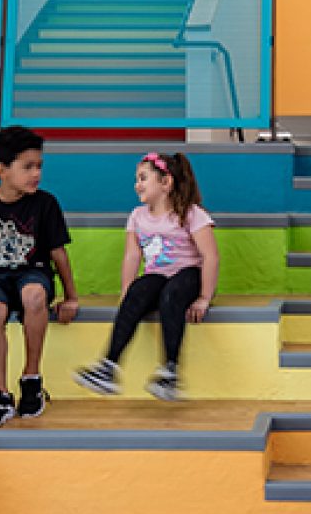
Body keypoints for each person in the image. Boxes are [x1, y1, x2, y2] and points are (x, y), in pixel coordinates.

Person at [74, 151, 219, 401]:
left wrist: (204, 297)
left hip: (189, 276)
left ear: (166, 183)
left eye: (143, 178)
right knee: (140, 289)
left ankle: (170, 371)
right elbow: (132, 257)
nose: (136, 184)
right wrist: (126, 292)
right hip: (158, 277)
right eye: (136, 179)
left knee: (172, 293)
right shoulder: (137, 216)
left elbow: (210, 257)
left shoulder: (191, 213)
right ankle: (108, 366)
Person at [0, 125, 80, 427]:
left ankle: (31, 379)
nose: (36, 173)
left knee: (34, 295)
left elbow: (57, 253)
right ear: (1, 169)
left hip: (32, 272)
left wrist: (71, 296)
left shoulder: (46, 203)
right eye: (27, 167)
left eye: (39, 166)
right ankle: (0, 395)